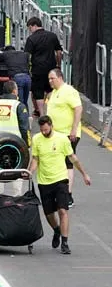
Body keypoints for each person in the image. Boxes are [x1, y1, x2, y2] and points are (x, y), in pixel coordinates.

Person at [28, 116, 91, 255]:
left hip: (61, 180)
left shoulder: (62, 139)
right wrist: (29, 172)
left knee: (63, 211)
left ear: (51, 125)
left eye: (46, 130)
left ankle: (65, 242)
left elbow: (73, 158)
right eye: (42, 130)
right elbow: (35, 159)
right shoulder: (37, 139)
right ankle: (56, 230)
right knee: (49, 214)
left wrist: (84, 174)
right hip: (44, 181)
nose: (44, 132)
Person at [45, 68, 82, 207]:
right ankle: (60, 193)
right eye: (49, 79)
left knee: (68, 162)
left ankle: (68, 195)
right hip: (57, 134)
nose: (50, 81)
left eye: (52, 78)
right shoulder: (54, 93)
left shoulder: (69, 91)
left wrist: (73, 129)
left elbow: (78, 109)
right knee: (58, 163)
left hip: (68, 134)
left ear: (60, 78)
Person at [24, 16, 63, 117]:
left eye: (30, 28)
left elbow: (27, 56)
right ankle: (51, 112)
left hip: (37, 69)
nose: (30, 31)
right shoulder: (52, 36)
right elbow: (59, 52)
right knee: (51, 90)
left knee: (38, 92)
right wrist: (58, 65)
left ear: (35, 26)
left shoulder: (31, 39)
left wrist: (27, 68)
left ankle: (41, 114)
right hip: (51, 68)